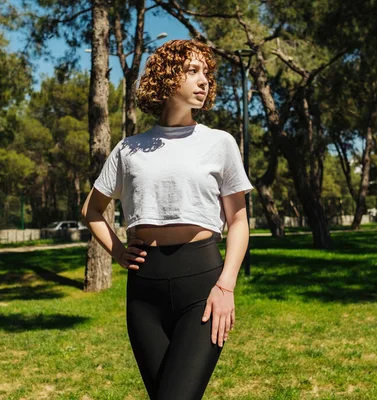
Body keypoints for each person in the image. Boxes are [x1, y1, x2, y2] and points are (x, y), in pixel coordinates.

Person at [81, 39, 253, 400]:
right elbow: (91, 210)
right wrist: (116, 252)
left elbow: (238, 222)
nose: (204, 80)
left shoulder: (219, 143)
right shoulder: (129, 149)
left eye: (206, 73)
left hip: (203, 287)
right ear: (166, 77)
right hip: (144, 293)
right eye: (193, 71)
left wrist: (226, 286)